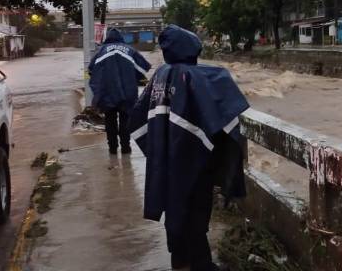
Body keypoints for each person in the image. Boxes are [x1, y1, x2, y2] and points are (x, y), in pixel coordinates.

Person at [128, 25, 249, 271]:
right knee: (195, 210)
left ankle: (180, 260)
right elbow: (219, 112)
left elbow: (138, 117)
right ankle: (202, 264)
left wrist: (157, 151)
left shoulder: (161, 74)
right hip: (192, 159)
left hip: (168, 157)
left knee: (174, 209)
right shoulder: (195, 76)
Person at [89, 28, 151, 155]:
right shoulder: (130, 50)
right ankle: (126, 148)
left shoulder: (100, 51)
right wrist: (133, 77)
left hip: (106, 93)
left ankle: (112, 148)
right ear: (121, 38)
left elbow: (91, 71)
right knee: (125, 120)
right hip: (127, 93)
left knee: (109, 121)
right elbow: (144, 69)